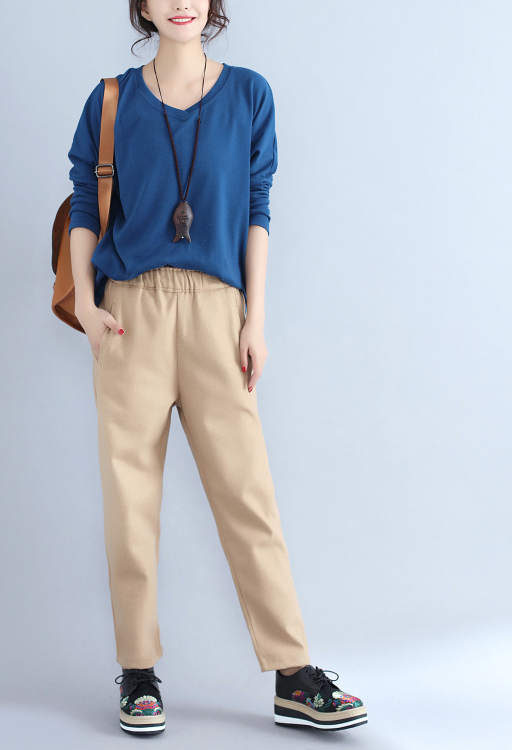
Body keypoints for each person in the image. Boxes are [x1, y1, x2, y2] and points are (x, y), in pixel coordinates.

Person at [67, 0, 367, 735]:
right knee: (130, 503)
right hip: (131, 313)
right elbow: (84, 202)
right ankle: (138, 672)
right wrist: (87, 307)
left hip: (216, 314)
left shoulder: (249, 94)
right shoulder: (112, 101)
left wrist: (254, 319)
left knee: (248, 497)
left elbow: (258, 208)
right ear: (142, 6)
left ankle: (292, 674)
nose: (181, 2)